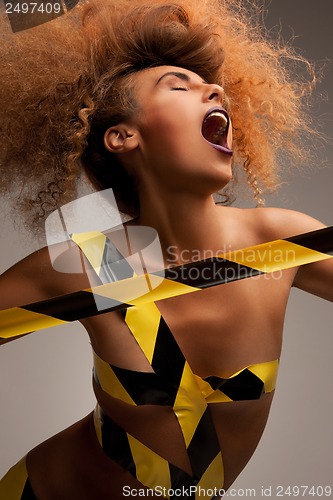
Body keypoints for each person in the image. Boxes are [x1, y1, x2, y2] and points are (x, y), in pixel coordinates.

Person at [0, 0, 332, 498]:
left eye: (210, 85)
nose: (214, 89)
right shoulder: (83, 267)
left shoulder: (281, 241)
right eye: (179, 86)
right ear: (122, 136)